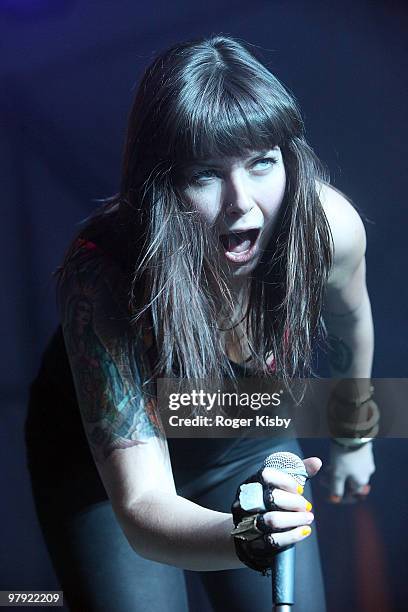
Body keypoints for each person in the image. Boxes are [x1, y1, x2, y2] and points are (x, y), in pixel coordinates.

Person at [25, 35, 377, 611]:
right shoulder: (105, 273)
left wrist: (354, 439)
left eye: (262, 162)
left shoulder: (328, 228)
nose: (243, 202)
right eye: (205, 174)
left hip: (243, 435)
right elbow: (142, 505)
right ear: (161, 185)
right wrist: (244, 538)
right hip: (106, 472)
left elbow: (351, 320)